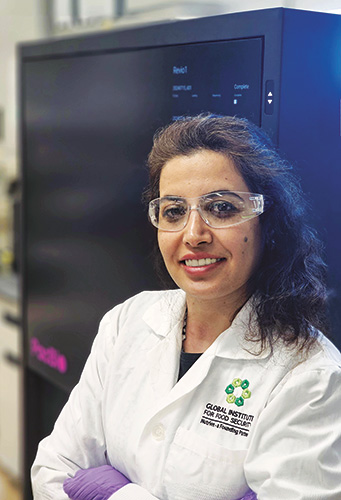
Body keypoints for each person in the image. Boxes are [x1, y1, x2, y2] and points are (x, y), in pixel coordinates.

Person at [31, 114, 341, 500]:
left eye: (222, 208)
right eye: (174, 211)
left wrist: (109, 491)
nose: (194, 235)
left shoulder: (309, 375)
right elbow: (53, 471)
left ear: (268, 222)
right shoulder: (126, 321)